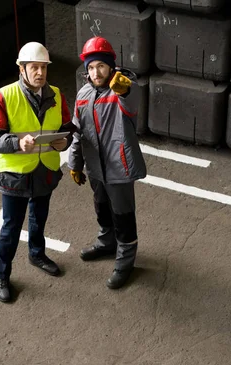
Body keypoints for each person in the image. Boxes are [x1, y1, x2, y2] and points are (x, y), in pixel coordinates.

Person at [0, 42, 75, 302]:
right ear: (22, 69)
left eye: (44, 67)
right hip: (15, 175)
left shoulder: (56, 94)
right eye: (34, 67)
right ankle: (2, 275)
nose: (40, 73)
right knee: (11, 229)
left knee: (39, 218)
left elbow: (67, 127)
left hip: (45, 172)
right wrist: (16, 143)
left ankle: (37, 254)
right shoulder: (3, 97)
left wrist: (64, 142)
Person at [68, 37, 147, 289]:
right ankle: (106, 242)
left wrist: (125, 89)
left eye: (101, 66)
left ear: (111, 66)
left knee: (123, 215)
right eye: (91, 67)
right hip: (95, 167)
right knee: (102, 207)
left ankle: (126, 259)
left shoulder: (122, 87)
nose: (95, 72)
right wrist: (75, 163)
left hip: (119, 167)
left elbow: (132, 100)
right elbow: (78, 131)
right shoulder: (83, 94)